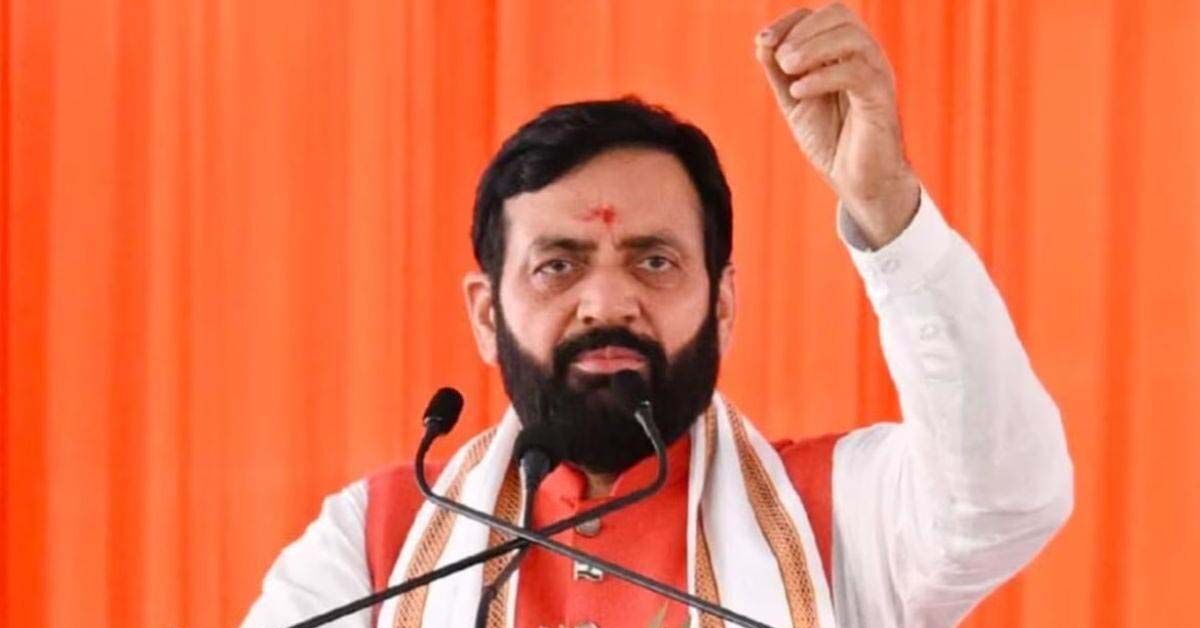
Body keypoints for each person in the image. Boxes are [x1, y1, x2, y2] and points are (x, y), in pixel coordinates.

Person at [243, 4, 1073, 627]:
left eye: (655, 261)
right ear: (487, 315)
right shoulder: (381, 542)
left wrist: (887, 206)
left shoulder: (837, 516)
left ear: (724, 303)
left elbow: (1006, 497)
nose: (608, 303)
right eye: (558, 265)